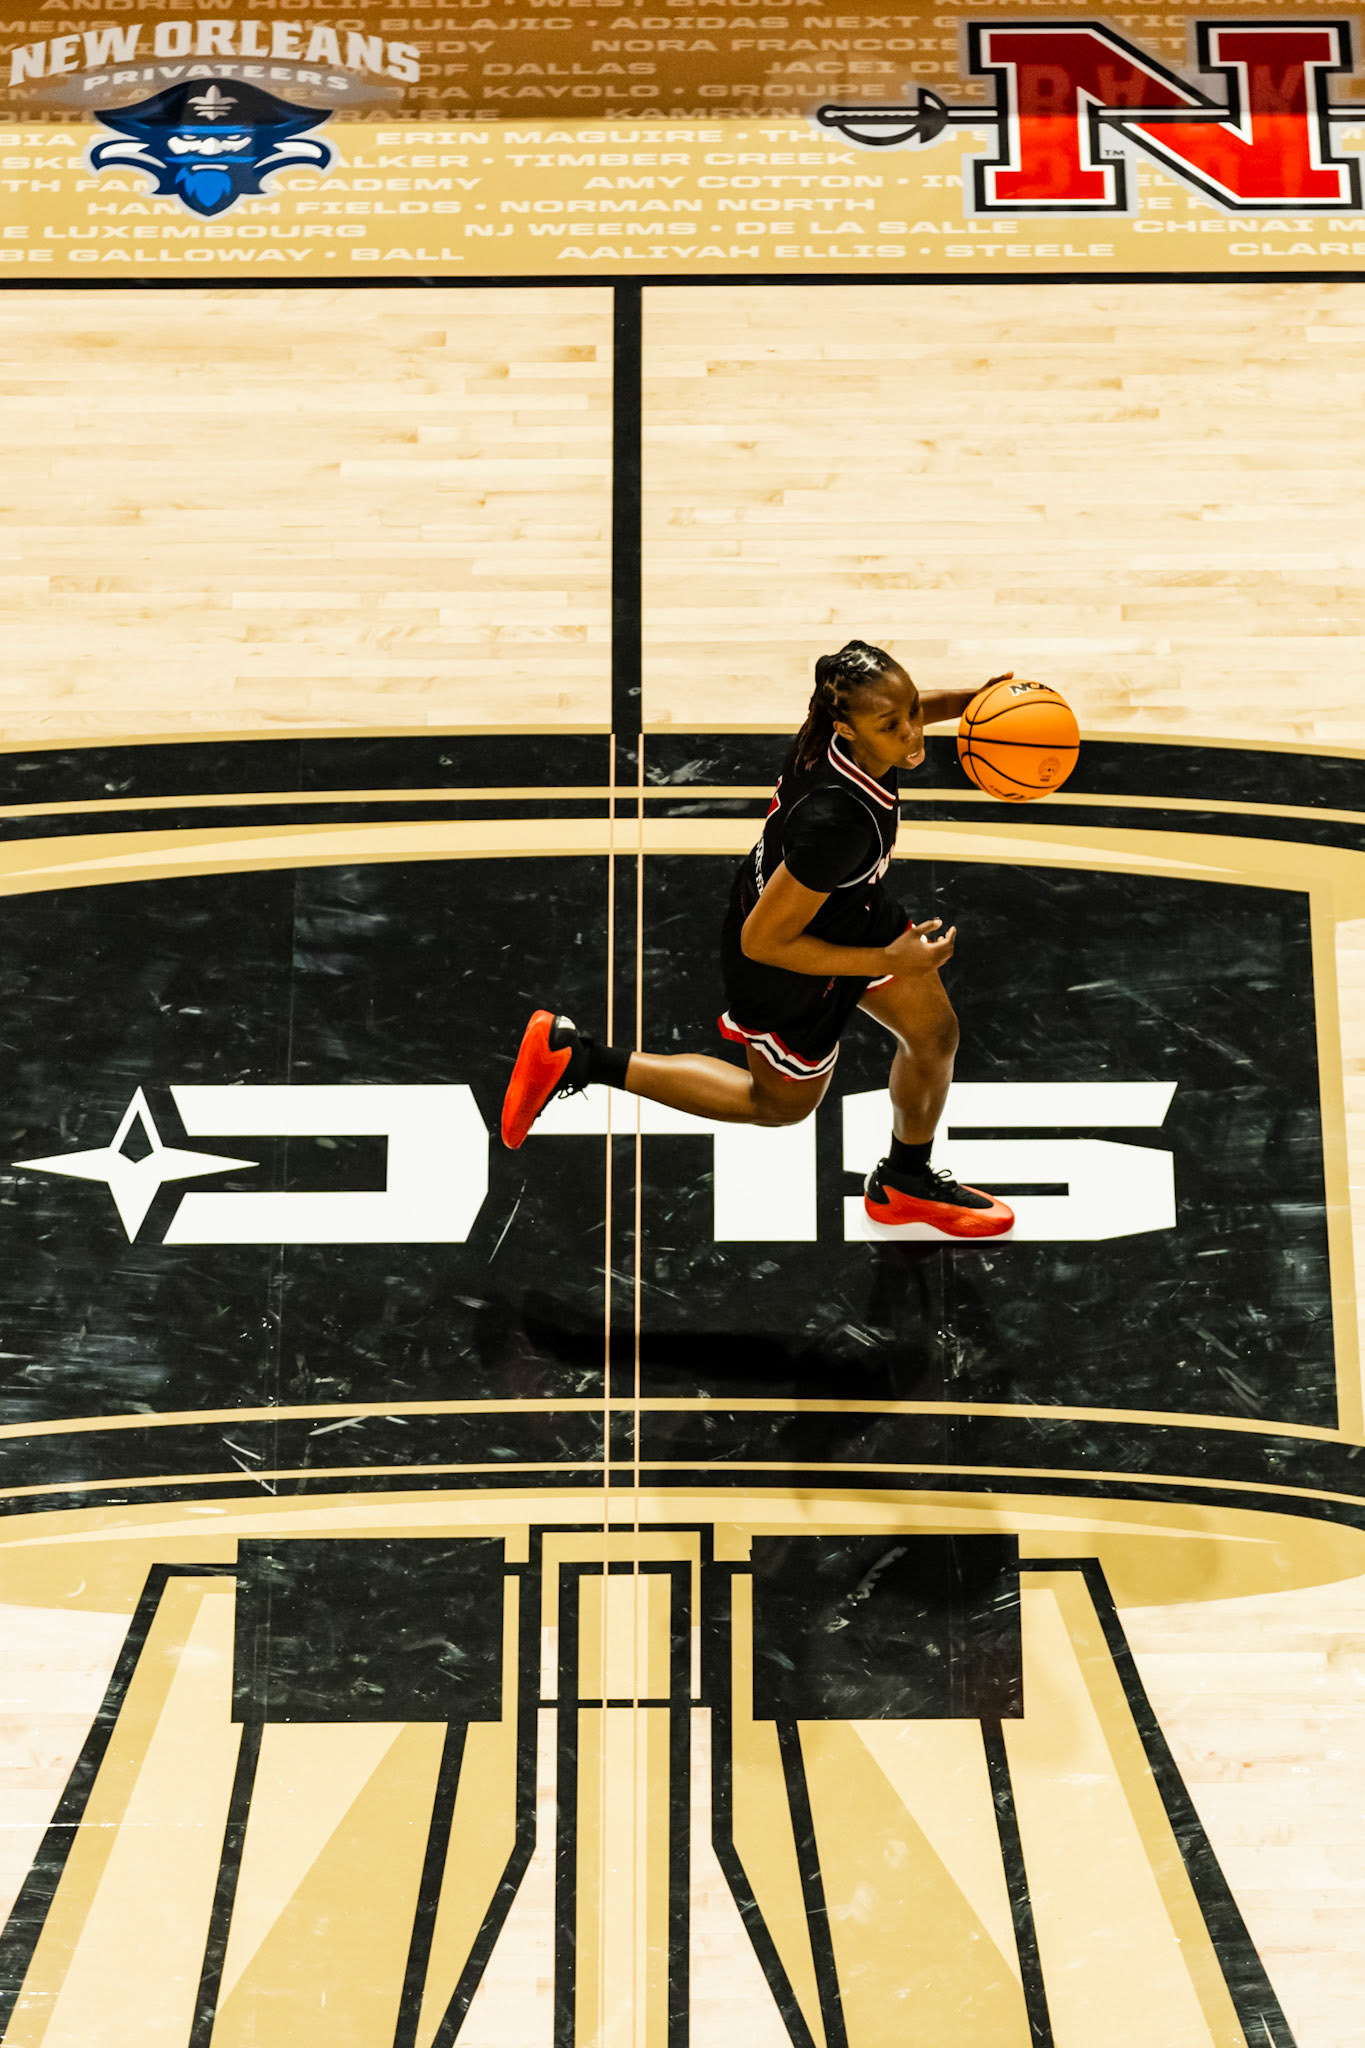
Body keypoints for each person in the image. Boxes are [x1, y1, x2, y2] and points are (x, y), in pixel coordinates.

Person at [500, 639, 1014, 1239]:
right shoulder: (839, 824)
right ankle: (578, 1057)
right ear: (847, 730)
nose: (912, 732)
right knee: (779, 1105)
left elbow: (905, 708)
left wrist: (977, 702)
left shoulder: (838, 731)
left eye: (913, 712)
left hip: (842, 909)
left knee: (933, 1035)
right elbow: (762, 943)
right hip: (788, 953)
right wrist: (888, 958)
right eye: (891, 724)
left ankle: (905, 1182)